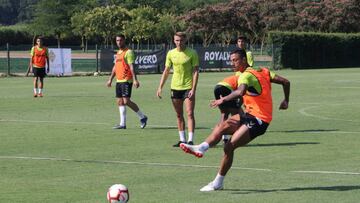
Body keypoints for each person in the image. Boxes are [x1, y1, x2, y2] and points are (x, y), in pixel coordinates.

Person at [180, 49, 290, 191]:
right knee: (222, 126)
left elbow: (240, 92)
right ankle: (201, 148)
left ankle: (218, 183)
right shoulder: (262, 71)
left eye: (235, 60)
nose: (232, 63)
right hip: (249, 115)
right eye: (231, 60)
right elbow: (285, 82)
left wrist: (223, 100)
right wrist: (286, 100)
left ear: (244, 60)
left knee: (229, 147)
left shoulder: (246, 76)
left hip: (259, 120)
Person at [157, 32, 200, 147]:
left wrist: (193, 89)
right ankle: (182, 140)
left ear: (185, 40)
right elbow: (166, 71)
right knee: (179, 115)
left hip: (188, 87)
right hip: (175, 87)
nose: (179, 43)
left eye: (181, 40)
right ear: (173, 40)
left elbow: (196, 71)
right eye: (176, 40)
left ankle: (190, 140)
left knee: (190, 113)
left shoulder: (192, 53)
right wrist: (160, 87)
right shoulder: (171, 53)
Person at [107, 34, 148, 129]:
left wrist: (135, 80)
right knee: (120, 102)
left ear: (124, 40)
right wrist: (110, 79)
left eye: (120, 40)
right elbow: (115, 68)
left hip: (126, 80)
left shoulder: (128, 52)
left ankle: (142, 117)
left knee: (126, 101)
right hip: (119, 80)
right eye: (117, 40)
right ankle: (122, 124)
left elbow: (132, 67)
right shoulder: (118, 52)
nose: (119, 42)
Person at [214, 74, 242, 143]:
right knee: (236, 115)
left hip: (217, 87)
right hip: (226, 88)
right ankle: (237, 138)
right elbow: (240, 94)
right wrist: (238, 106)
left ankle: (224, 137)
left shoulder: (237, 76)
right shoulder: (244, 79)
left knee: (224, 114)